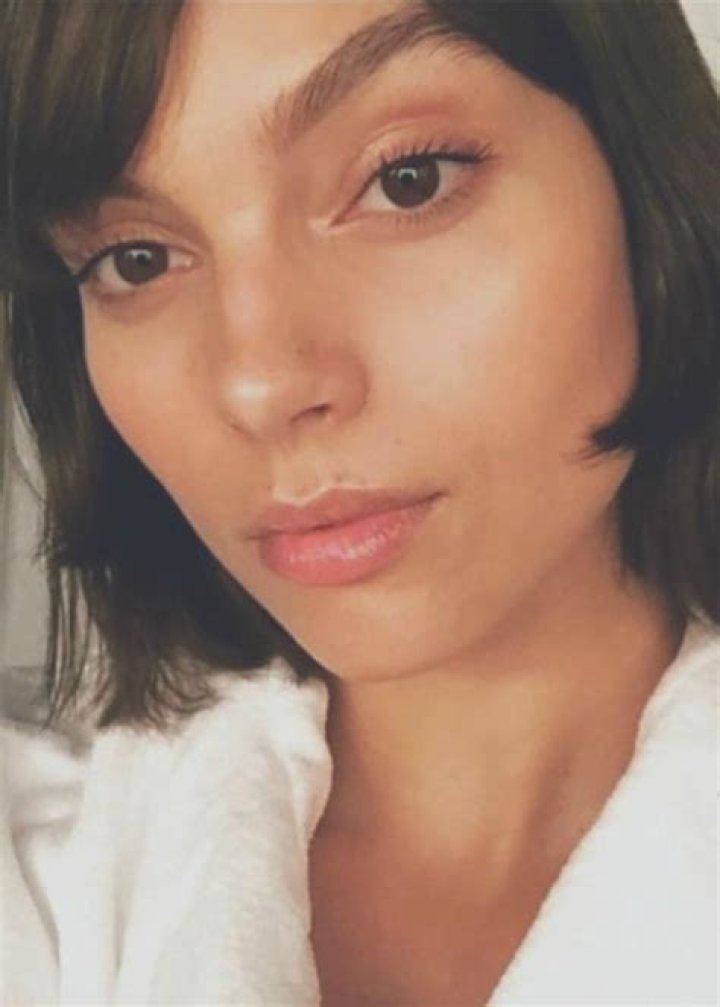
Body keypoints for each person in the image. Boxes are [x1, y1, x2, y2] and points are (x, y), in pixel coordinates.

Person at [1, 1, 718, 1004]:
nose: (259, 383)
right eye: (135, 258)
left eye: (406, 179)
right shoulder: (40, 871)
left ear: (644, 173)